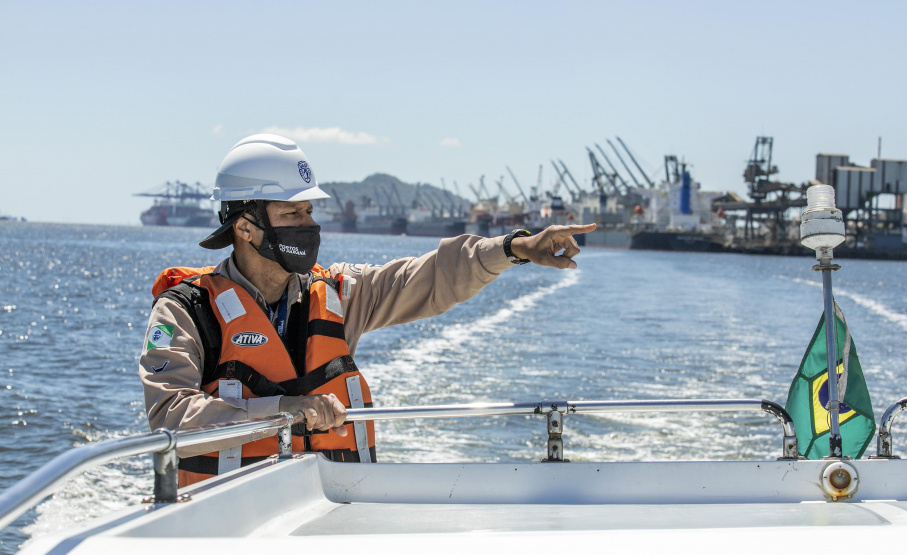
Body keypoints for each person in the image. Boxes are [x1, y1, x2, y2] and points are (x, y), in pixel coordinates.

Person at [139, 133, 595, 486]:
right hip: (227, 519)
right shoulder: (185, 310)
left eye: (310, 213)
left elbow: (430, 277)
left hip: (333, 511)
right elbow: (171, 413)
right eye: (292, 215)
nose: (310, 226)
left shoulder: (338, 294)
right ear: (244, 225)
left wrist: (515, 247)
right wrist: (285, 409)